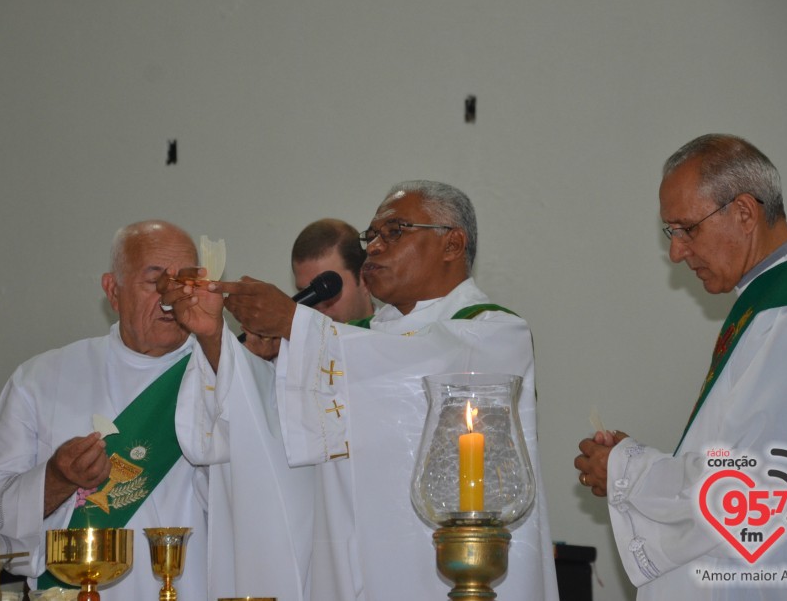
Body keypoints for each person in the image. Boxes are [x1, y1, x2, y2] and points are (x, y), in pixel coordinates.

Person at [162, 180, 559, 601]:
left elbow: (424, 365)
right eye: (372, 236)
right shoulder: (348, 343)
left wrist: (294, 323)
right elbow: (268, 437)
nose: (373, 247)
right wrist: (213, 339)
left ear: (452, 244)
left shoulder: (495, 333)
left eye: (394, 232)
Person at [574, 134, 787, 600]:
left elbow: (747, 486)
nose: (676, 253)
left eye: (687, 229)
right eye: (670, 234)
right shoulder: (775, 303)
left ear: (743, 212)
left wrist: (626, 469)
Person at [0, 220, 209, 599]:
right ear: (113, 290)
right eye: (154, 280)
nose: (170, 297)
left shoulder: (222, 376)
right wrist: (57, 478)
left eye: (185, 282)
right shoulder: (43, 380)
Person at [243, 218, 374, 360]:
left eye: (328, 289)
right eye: (306, 293)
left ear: (364, 280)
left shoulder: (394, 336)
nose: (318, 306)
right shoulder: (286, 352)